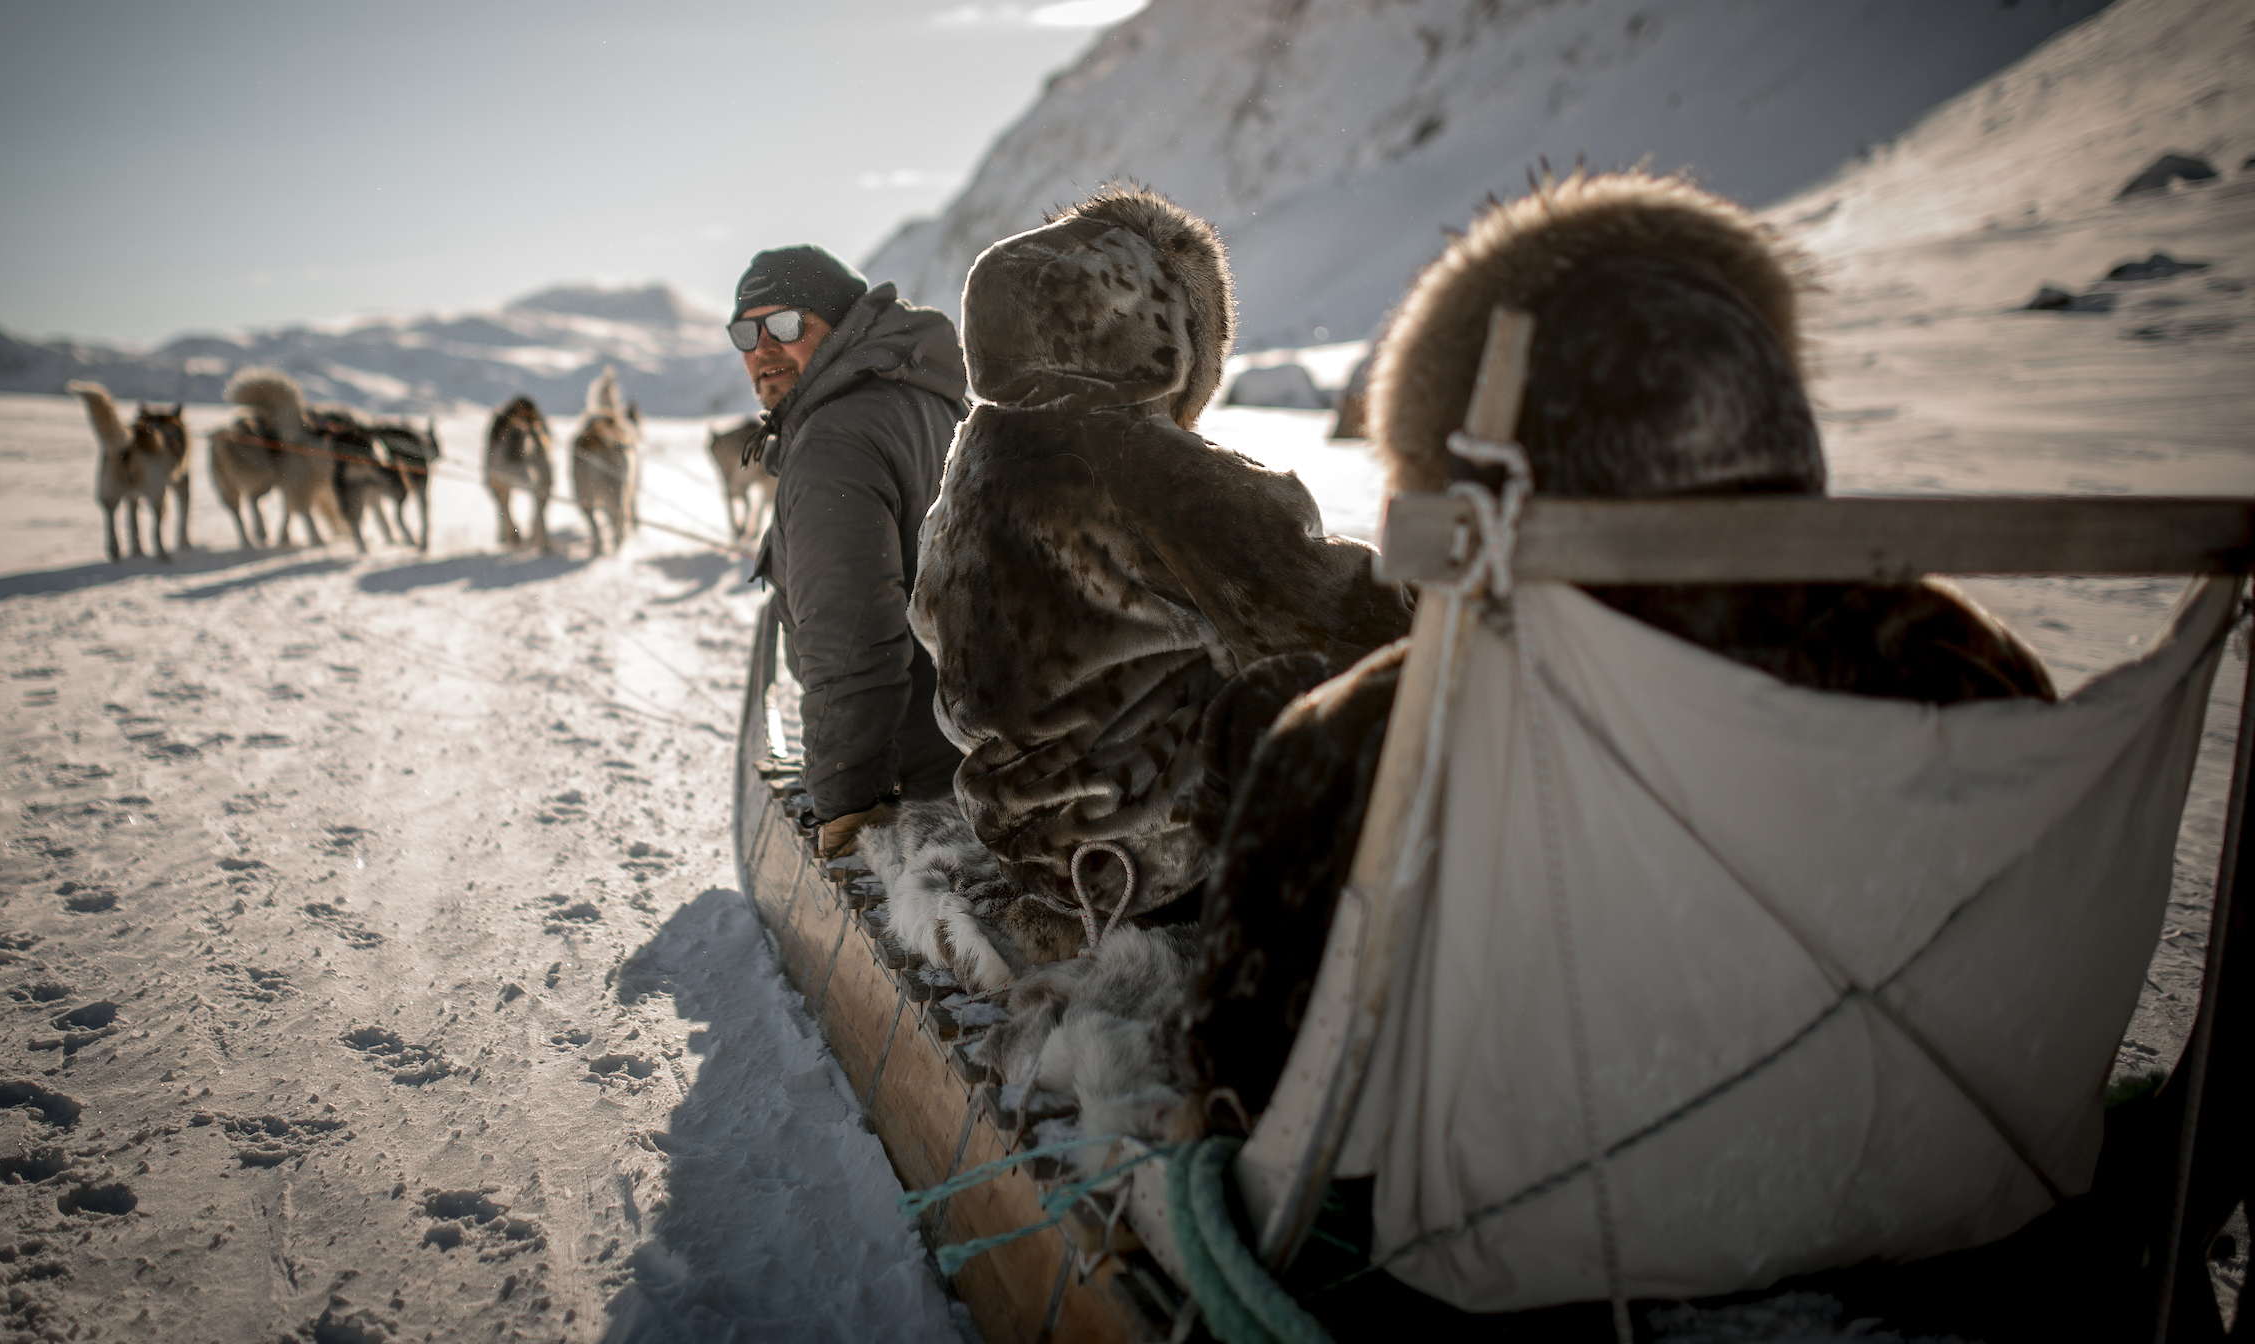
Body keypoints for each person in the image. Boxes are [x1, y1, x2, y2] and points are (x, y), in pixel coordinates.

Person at [1184, 170, 2057, 1117]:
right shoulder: (1969, 674)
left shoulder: (1382, 745)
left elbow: (1241, 1079)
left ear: (1472, 475)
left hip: (1515, 1236)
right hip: (1941, 1190)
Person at [907, 187, 1413, 933]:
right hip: (1158, 852)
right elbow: (1319, 605)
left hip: (1026, 840)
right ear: (1160, 327)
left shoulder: (975, 461)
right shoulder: (1141, 464)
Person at [734, 244, 968, 856]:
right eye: (745, 332)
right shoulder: (937, 401)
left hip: (925, 793)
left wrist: (847, 803)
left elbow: (851, 641)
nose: (762, 348)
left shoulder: (834, 442)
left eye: (785, 324)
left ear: (843, 325)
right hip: (995, 762)